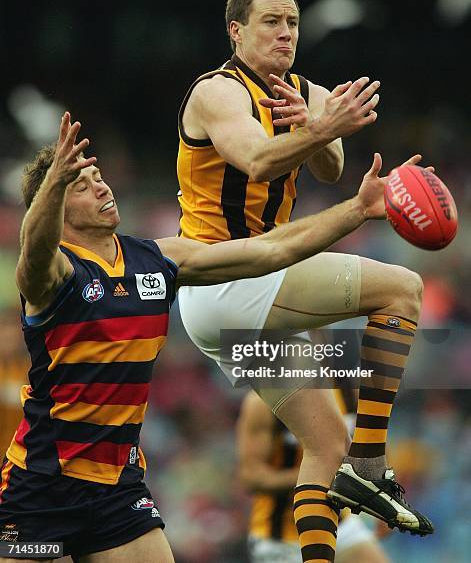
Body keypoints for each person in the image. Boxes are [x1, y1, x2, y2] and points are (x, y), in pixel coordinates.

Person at [1, 112, 409, 562]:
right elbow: (32, 253)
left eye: (99, 177)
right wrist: (55, 181)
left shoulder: (158, 258)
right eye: (82, 185)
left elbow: (269, 250)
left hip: (118, 490)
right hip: (40, 489)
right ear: (55, 205)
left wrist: (357, 209)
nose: (102, 187)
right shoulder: (54, 274)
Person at [176, 0, 434, 561]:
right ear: (237, 30)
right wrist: (317, 125)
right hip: (229, 280)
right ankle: (372, 463)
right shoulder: (217, 92)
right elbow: (257, 161)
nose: (285, 33)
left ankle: (336, 511)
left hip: (236, 306)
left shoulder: (304, 91)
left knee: (324, 447)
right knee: (404, 290)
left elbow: (329, 167)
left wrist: (317, 127)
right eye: (271, 22)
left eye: (292, 22)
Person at [237, 390, 391, 563]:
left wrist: (384, 498)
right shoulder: (263, 401)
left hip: (340, 526)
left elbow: (371, 446)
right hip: (282, 539)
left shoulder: (349, 391)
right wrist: (318, 473)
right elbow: (251, 477)